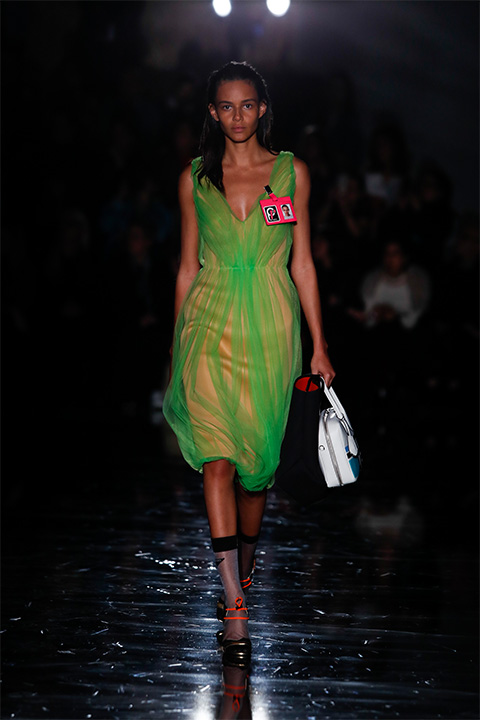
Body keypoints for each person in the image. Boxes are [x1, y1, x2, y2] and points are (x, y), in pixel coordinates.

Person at [163, 61, 335, 666]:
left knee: (256, 472)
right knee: (216, 459)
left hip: (270, 325)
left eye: (246, 105)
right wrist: (177, 342)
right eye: (225, 106)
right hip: (210, 320)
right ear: (213, 113)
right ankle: (234, 601)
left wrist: (319, 343)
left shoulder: (291, 173)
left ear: (262, 108)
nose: (236, 116)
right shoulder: (194, 179)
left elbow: (302, 262)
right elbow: (187, 266)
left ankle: (246, 559)